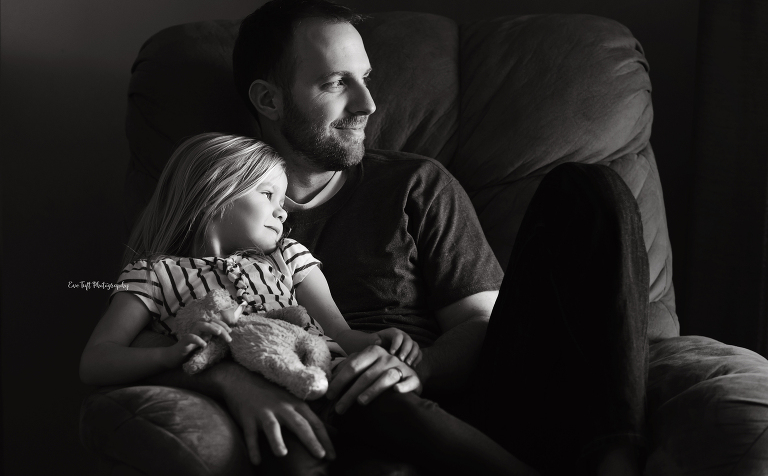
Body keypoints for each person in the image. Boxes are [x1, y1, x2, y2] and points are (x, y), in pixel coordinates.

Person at [121, 0, 649, 476]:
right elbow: (141, 330)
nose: (369, 104)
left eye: (365, 77)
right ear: (269, 99)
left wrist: (417, 366)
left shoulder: (415, 182)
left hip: (476, 400)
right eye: (336, 83)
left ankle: (614, 460)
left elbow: (480, 323)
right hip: (342, 412)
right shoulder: (215, 202)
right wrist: (236, 383)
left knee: (589, 190)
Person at [80, 132, 538, 476]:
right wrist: (169, 355)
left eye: (284, 200)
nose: (283, 211)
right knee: (293, 458)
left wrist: (387, 342)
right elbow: (96, 360)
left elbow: (339, 332)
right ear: (214, 194)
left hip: (331, 380)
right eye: (267, 195)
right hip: (267, 404)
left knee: (401, 409)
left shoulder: (289, 256)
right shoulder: (154, 275)